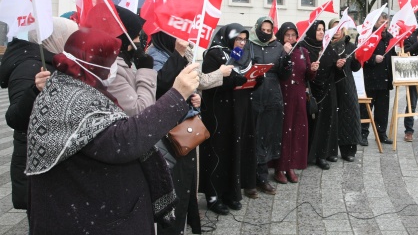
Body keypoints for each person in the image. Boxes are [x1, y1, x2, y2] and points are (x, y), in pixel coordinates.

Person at [25, 27, 200, 234]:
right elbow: (124, 140)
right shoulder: (71, 99)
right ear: (93, 63)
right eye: (111, 60)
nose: (115, 68)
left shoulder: (66, 85)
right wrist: (177, 95)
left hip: (90, 210)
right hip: (90, 217)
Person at [147, 31, 231, 235]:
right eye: (177, 35)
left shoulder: (182, 53)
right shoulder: (153, 56)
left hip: (185, 126)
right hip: (167, 132)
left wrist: (195, 99)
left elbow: (193, 84)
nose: (184, 40)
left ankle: (185, 220)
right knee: (173, 183)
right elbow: (162, 86)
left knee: (187, 180)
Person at [0, 17, 78, 211]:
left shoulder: (54, 61)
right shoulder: (29, 66)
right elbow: (15, 118)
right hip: (35, 161)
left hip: (48, 159)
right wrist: (35, 90)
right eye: (69, 37)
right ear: (55, 39)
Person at [200, 24, 258, 214]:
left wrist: (257, 79)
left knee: (235, 149)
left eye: (244, 39)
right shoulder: (214, 54)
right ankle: (213, 195)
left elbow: (243, 79)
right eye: (238, 39)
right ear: (228, 37)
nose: (241, 42)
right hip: (219, 112)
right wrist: (232, 81)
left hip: (239, 109)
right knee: (219, 151)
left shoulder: (243, 55)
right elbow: (208, 83)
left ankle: (231, 192)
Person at [249, 17, 292, 191]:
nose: (266, 33)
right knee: (252, 135)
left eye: (269, 30)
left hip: (273, 96)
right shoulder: (249, 45)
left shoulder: (278, 47)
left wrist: (286, 63)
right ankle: (249, 177)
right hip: (253, 94)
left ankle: (262, 176)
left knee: (267, 136)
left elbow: (284, 75)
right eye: (263, 30)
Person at [272, 22, 318, 183]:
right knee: (284, 131)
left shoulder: (303, 51)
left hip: (298, 96)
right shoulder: (278, 50)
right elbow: (276, 71)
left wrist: (312, 69)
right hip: (283, 95)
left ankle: (291, 165)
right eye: (287, 35)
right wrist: (283, 54)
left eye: (293, 35)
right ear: (282, 36)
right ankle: (279, 166)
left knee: (297, 131)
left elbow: (307, 76)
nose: (291, 38)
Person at [299, 20, 342, 170]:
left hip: (327, 91)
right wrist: (310, 69)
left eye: (323, 29)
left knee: (325, 123)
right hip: (310, 90)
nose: (321, 32)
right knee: (309, 124)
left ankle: (322, 154)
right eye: (318, 29)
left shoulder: (326, 46)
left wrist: (338, 65)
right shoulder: (303, 46)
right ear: (312, 31)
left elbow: (334, 65)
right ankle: (306, 154)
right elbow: (299, 69)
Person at [108, 6, 157, 117]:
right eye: (137, 36)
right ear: (126, 38)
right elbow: (141, 111)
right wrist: (146, 70)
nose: (139, 41)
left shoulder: (122, 62)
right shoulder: (113, 70)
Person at [329, 19, 362, 161]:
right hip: (331, 84)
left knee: (349, 116)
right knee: (331, 117)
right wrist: (335, 65)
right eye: (333, 28)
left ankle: (349, 150)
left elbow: (355, 68)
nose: (337, 31)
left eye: (339, 28)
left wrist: (356, 59)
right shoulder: (326, 46)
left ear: (343, 30)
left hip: (347, 84)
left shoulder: (350, 46)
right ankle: (330, 150)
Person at [360, 13, 395, 145]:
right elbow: (361, 54)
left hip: (385, 80)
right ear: (375, 22)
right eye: (381, 22)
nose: (384, 25)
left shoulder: (390, 37)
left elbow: (392, 55)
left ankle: (381, 134)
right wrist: (373, 58)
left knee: (382, 110)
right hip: (369, 79)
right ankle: (363, 133)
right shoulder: (367, 35)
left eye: (386, 22)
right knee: (365, 109)